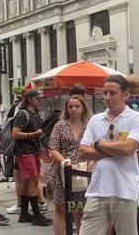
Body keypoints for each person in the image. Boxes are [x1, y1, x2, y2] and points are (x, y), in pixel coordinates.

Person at [78, 75, 139, 235]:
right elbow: (82, 152)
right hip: (97, 190)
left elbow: (129, 148)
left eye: (112, 93)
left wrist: (99, 144)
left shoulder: (136, 118)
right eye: (105, 93)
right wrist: (114, 150)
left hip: (124, 190)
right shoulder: (95, 120)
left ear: (125, 95)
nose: (107, 97)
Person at [48, 95, 91, 235]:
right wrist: (65, 162)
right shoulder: (60, 125)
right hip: (62, 170)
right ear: (66, 109)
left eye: (77, 106)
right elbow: (53, 147)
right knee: (60, 208)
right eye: (70, 106)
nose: (73, 109)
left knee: (79, 208)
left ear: (83, 108)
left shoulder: (89, 125)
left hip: (82, 171)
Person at [11, 89, 52, 226]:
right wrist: (32, 134)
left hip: (33, 151)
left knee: (29, 182)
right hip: (25, 152)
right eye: (38, 98)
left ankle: (24, 214)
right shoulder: (23, 114)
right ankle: (36, 215)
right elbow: (15, 134)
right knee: (33, 181)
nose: (41, 101)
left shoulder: (36, 114)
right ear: (30, 99)